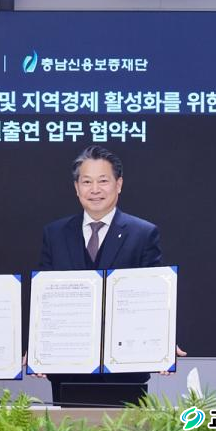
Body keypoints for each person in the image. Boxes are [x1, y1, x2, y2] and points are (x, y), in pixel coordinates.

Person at [38, 145, 182, 404]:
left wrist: (161, 342)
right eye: (87, 182)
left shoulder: (143, 233)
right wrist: (37, 345)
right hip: (68, 366)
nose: (95, 189)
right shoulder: (55, 234)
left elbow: (154, 297)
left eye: (103, 181)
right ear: (76, 187)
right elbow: (44, 299)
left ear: (119, 184)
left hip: (125, 369)